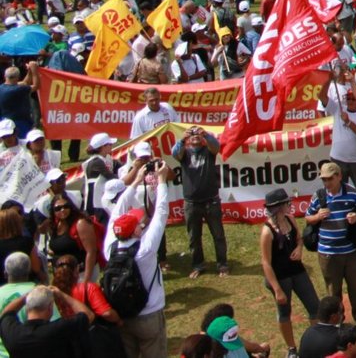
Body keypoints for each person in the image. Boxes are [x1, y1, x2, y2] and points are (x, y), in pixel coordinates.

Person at [102, 160, 173, 358]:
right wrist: (161, 181)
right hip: (149, 314)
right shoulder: (145, 249)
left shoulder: (109, 247)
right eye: (138, 225)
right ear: (134, 231)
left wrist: (136, 181)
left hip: (122, 315)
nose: (141, 225)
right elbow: (161, 212)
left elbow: (118, 211)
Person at [304, 162, 356, 332]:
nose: (327, 183)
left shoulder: (352, 193)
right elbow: (308, 218)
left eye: (330, 179)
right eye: (324, 180)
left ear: (339, 176)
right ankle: (336, 322)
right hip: (328, 253)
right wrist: (317, 217)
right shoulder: (319, 196)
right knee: (333, 290)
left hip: (350, 250)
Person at [258, 187, 319, 352]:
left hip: (297, 271)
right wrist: (277, 290)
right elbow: (266, 263)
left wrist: (299, 249)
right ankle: (291, 348)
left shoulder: (290, 219)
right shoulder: (267, 232)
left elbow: (299, 239)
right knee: (285, 313)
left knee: (314, 306)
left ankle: (316, 344)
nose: (289, 205)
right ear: (278, 207)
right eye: (286, 203)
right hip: (280, 277)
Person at [176, 126, 227, 279]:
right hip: (191, 203)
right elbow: (175, 153)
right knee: (194, 237)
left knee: (218, 235)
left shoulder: (208, 151)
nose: (195, 135)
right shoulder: (184, 153)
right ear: (188, 139)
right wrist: (182, 140)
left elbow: (216, 146)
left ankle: (222, 265)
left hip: (211, 201)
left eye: (197, 133)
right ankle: (198, 265)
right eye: (192, 134)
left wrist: (206, 135)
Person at [0, 286, 91, 358]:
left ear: (27, 308)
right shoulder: (60, 329)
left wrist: (27, 297)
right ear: (50, 308)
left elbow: (6, 313)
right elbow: (88, 315)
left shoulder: (13, 333)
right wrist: (62, 295)